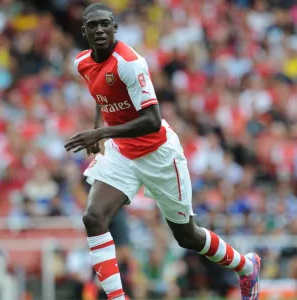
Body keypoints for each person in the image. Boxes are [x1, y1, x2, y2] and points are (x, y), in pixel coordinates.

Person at [65, 3, 261, 300]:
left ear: (115, 27)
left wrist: (101, 132)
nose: (100, 30)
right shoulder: (83, 62)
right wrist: (99, 129)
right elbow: (100, 93)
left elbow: (152, 120)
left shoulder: (130, 62)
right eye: (93, 26)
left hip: (158, 154)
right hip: (122, 153)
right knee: (93, 217)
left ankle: (246, 266)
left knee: (187, 236)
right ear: (84, 31)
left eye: (105, 24)